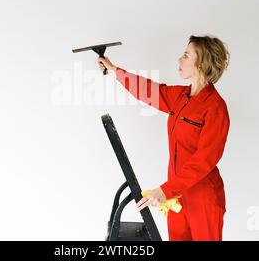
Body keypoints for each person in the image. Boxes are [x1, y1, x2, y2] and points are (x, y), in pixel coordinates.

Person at [97, 35, 230, 241]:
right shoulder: (180, 97)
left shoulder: (215, 108)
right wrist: (115, 70)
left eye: (186, 55)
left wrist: (166, 190)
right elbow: (148, 90)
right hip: (176, 198)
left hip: (202, 198)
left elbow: (204, 161)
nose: (179, 60)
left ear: (202, 63)